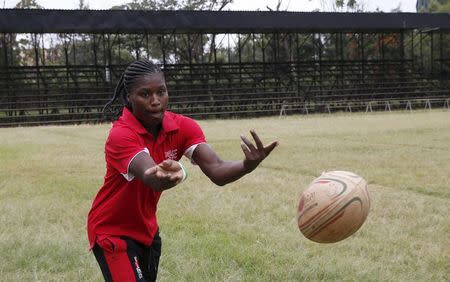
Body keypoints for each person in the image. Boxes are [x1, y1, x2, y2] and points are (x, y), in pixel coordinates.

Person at [87, 59, 278, 282]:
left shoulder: (182, 126)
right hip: (112, 231)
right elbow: (152, 177)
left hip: (147, 231)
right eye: (145, 94)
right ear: (129, 98)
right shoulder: (121, 135)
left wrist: (246, 166)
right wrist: (178, 173)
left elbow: (217, 170)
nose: (156, 101)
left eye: (161, 92)